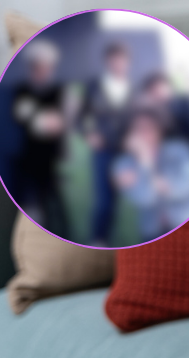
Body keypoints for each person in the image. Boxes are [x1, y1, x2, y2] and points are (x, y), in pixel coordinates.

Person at [111, 108, 189, 243]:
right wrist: (145, 161)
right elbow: (145, 199)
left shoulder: (181, 151)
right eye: (138, 129)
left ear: (160, 129)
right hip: (152, 232)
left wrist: (147, 169)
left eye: (150, 127)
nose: (144, 133)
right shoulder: (124, 165)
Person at [10, 39, 70, 238]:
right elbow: (33, 119)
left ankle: (62, 235)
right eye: (42, 66)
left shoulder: (57, 90)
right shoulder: (22, 91)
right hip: (30, 162)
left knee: (57, 206)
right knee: (35, 209)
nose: (47, 71)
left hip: (53, 160)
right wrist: (45, 120)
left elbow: (60, 122)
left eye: (50, 67)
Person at [80, 41, 136, 246]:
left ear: (128, 63)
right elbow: (78, 118)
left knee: (138, 199)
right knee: (104, 201)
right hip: (102, 152)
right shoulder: (94, 86)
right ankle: (98, 241)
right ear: (107, 62)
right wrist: (89, 135)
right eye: (113, 61)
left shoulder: (135, 88)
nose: (118, 65)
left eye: (122, 61)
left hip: (127, 152)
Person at [139, 72, 189, 189]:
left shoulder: (188, 102)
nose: (157, 93)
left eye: (160, 87)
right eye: (152, 91)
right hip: (180, 168)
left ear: (169, 87)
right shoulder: (154, 116)